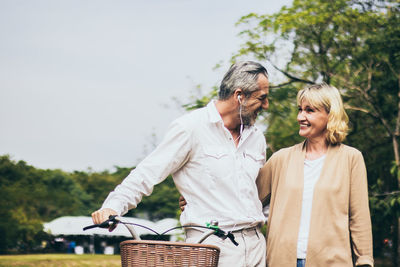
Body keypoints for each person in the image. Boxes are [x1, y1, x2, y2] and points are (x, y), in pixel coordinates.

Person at [91, 61, 270, 266]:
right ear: (240, 96)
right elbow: (146, 173)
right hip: (211, 246)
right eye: (261, 98)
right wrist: (112, 207)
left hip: (257, 246)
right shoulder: (190, 128)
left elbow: (257, 193)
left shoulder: (257, 138)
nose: (266, 105)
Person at [257, 83, 373, 266]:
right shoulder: (281, 159)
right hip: (281, 261)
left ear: (330, 114)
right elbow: (247, 201)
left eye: (309, 111)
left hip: (332, 262)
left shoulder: (351, 158)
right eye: (300, 110)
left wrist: (364, 260)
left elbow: (359, 219)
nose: (300, 117)